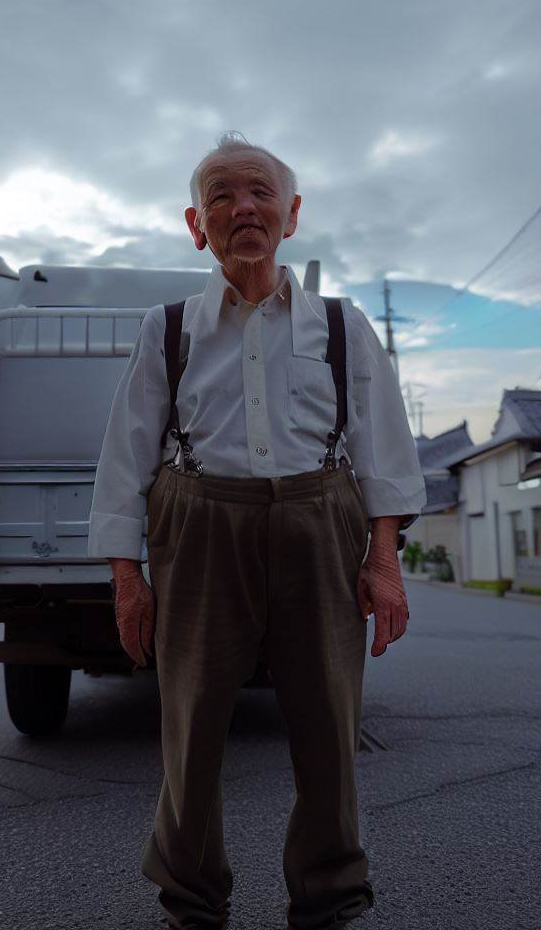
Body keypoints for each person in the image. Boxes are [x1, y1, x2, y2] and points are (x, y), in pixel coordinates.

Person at [87, 131, 425, 930]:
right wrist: (126, 577)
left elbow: (383, 447)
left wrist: (385, 560)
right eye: (221, 196)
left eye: (261, 193)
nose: (243, 208)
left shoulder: (341, 327)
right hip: (200, 526)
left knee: (327, 727)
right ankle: (191, 902)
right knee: (193, 726)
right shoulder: (167, 329)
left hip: (321, 520)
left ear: (292, 215)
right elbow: (126, 453)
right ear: (195, 224)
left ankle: (330, 899)